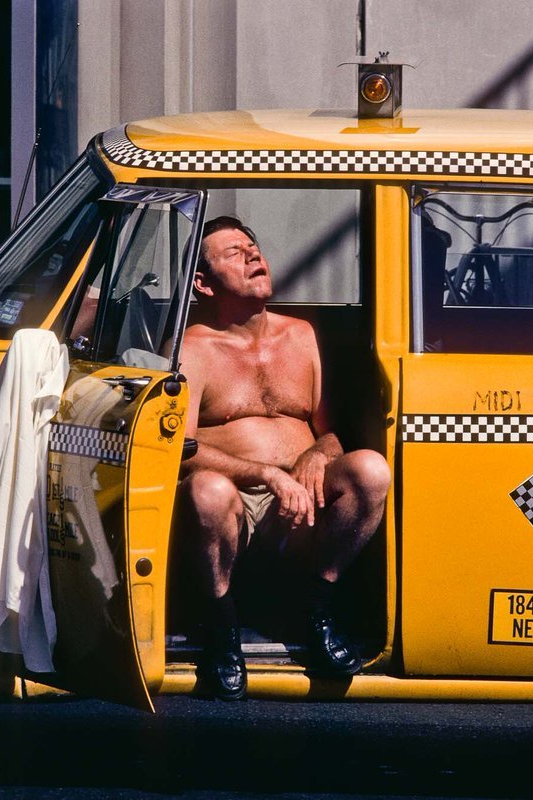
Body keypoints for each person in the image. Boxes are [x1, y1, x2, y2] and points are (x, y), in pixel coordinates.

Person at [176, 216, 390, 700]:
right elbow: (180, 451)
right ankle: (221, 633)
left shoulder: (302, 335)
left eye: (253, 246)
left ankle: (316, 612)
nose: (253, 255)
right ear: (203, 283)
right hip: (232, 507)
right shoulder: (192, 349)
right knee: (206, 491)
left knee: (370, 470)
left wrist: (317, 454)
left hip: (301, 507)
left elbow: (331, 431)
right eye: (234, 252)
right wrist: (268, 474)